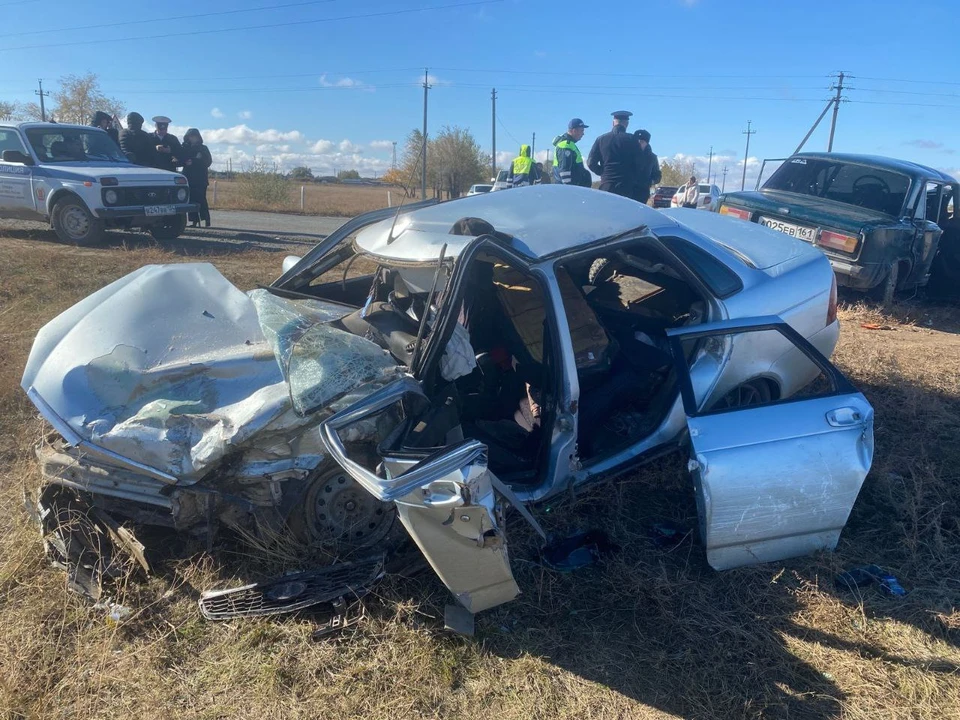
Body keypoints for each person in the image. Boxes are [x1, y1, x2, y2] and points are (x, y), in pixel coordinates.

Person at [586, 110, 643, 199]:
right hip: (626, 186)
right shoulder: (632, 140)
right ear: (626, 124)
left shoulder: (601, 139)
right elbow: (640, 164)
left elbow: (590, 162)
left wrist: (603, 172)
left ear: (613, 123)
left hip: (607, 184)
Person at [181, 128, 213, 228]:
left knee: (201, 200)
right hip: (188, 177)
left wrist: (194, 161)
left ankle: (206, 220)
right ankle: (194, 221)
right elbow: (181, 159)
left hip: (200, 179)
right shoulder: (185, 148)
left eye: (194, 136)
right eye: (190, 136)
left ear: (198, 137)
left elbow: (208, 162)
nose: (192, 138)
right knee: (190, 200)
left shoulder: (203, 148)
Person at [552, 118, 592, 187]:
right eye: (581, 130)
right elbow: (564, 170)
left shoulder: (569, 144)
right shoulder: (565, 146)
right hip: (569, 190)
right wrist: (569, 190)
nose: (583, 134)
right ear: (574, 131)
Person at [633, 129, 661, 204]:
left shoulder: (652, 158)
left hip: (642, 192)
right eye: (637, 141)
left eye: (641, 142)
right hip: (628, 190)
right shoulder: (630, 155)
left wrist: (650, 181)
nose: (639, 143)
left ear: (646, 143)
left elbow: (657, 176)